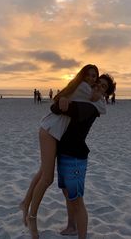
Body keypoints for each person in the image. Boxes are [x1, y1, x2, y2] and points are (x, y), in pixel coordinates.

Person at [20, 65, 105, 238]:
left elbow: (100, 105)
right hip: (50, 130)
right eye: (88, 75)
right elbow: (57, 104)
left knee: (44, 171)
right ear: (82, 76)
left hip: (57, 134)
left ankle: (26, 202)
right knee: (47, 178)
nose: (91, 78)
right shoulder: (82, 88)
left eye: (94, 76)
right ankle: (32, 218)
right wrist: (62, 100)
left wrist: (95, 96)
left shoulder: (90, 94)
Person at [52, 74, 116, 239]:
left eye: (103, 87)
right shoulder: (86, 100)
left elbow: (57, 108)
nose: (98, 87)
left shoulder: (91, 108)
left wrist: (63, 100)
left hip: (75, 158)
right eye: (97, 83)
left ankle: (82, 235)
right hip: (64, 152)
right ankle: (71, 226)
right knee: (67, 194)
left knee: (77, 200)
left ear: (105, 95)